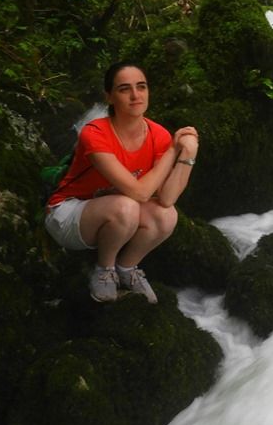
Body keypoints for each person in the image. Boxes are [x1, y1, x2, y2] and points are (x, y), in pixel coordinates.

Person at [45, 62, 199, 303]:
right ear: (109, 96)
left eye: (141, 87)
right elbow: (140, 193)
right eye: (125, 89)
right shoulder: (94, 133)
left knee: (167, 215)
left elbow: (166, 198)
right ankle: (104, 270)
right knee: (127, 207)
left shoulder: (158, 135)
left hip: (114, 214)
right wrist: (172, 151)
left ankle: (127, 268)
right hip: (68, 215)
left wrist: (188, 154)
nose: (136, 95)